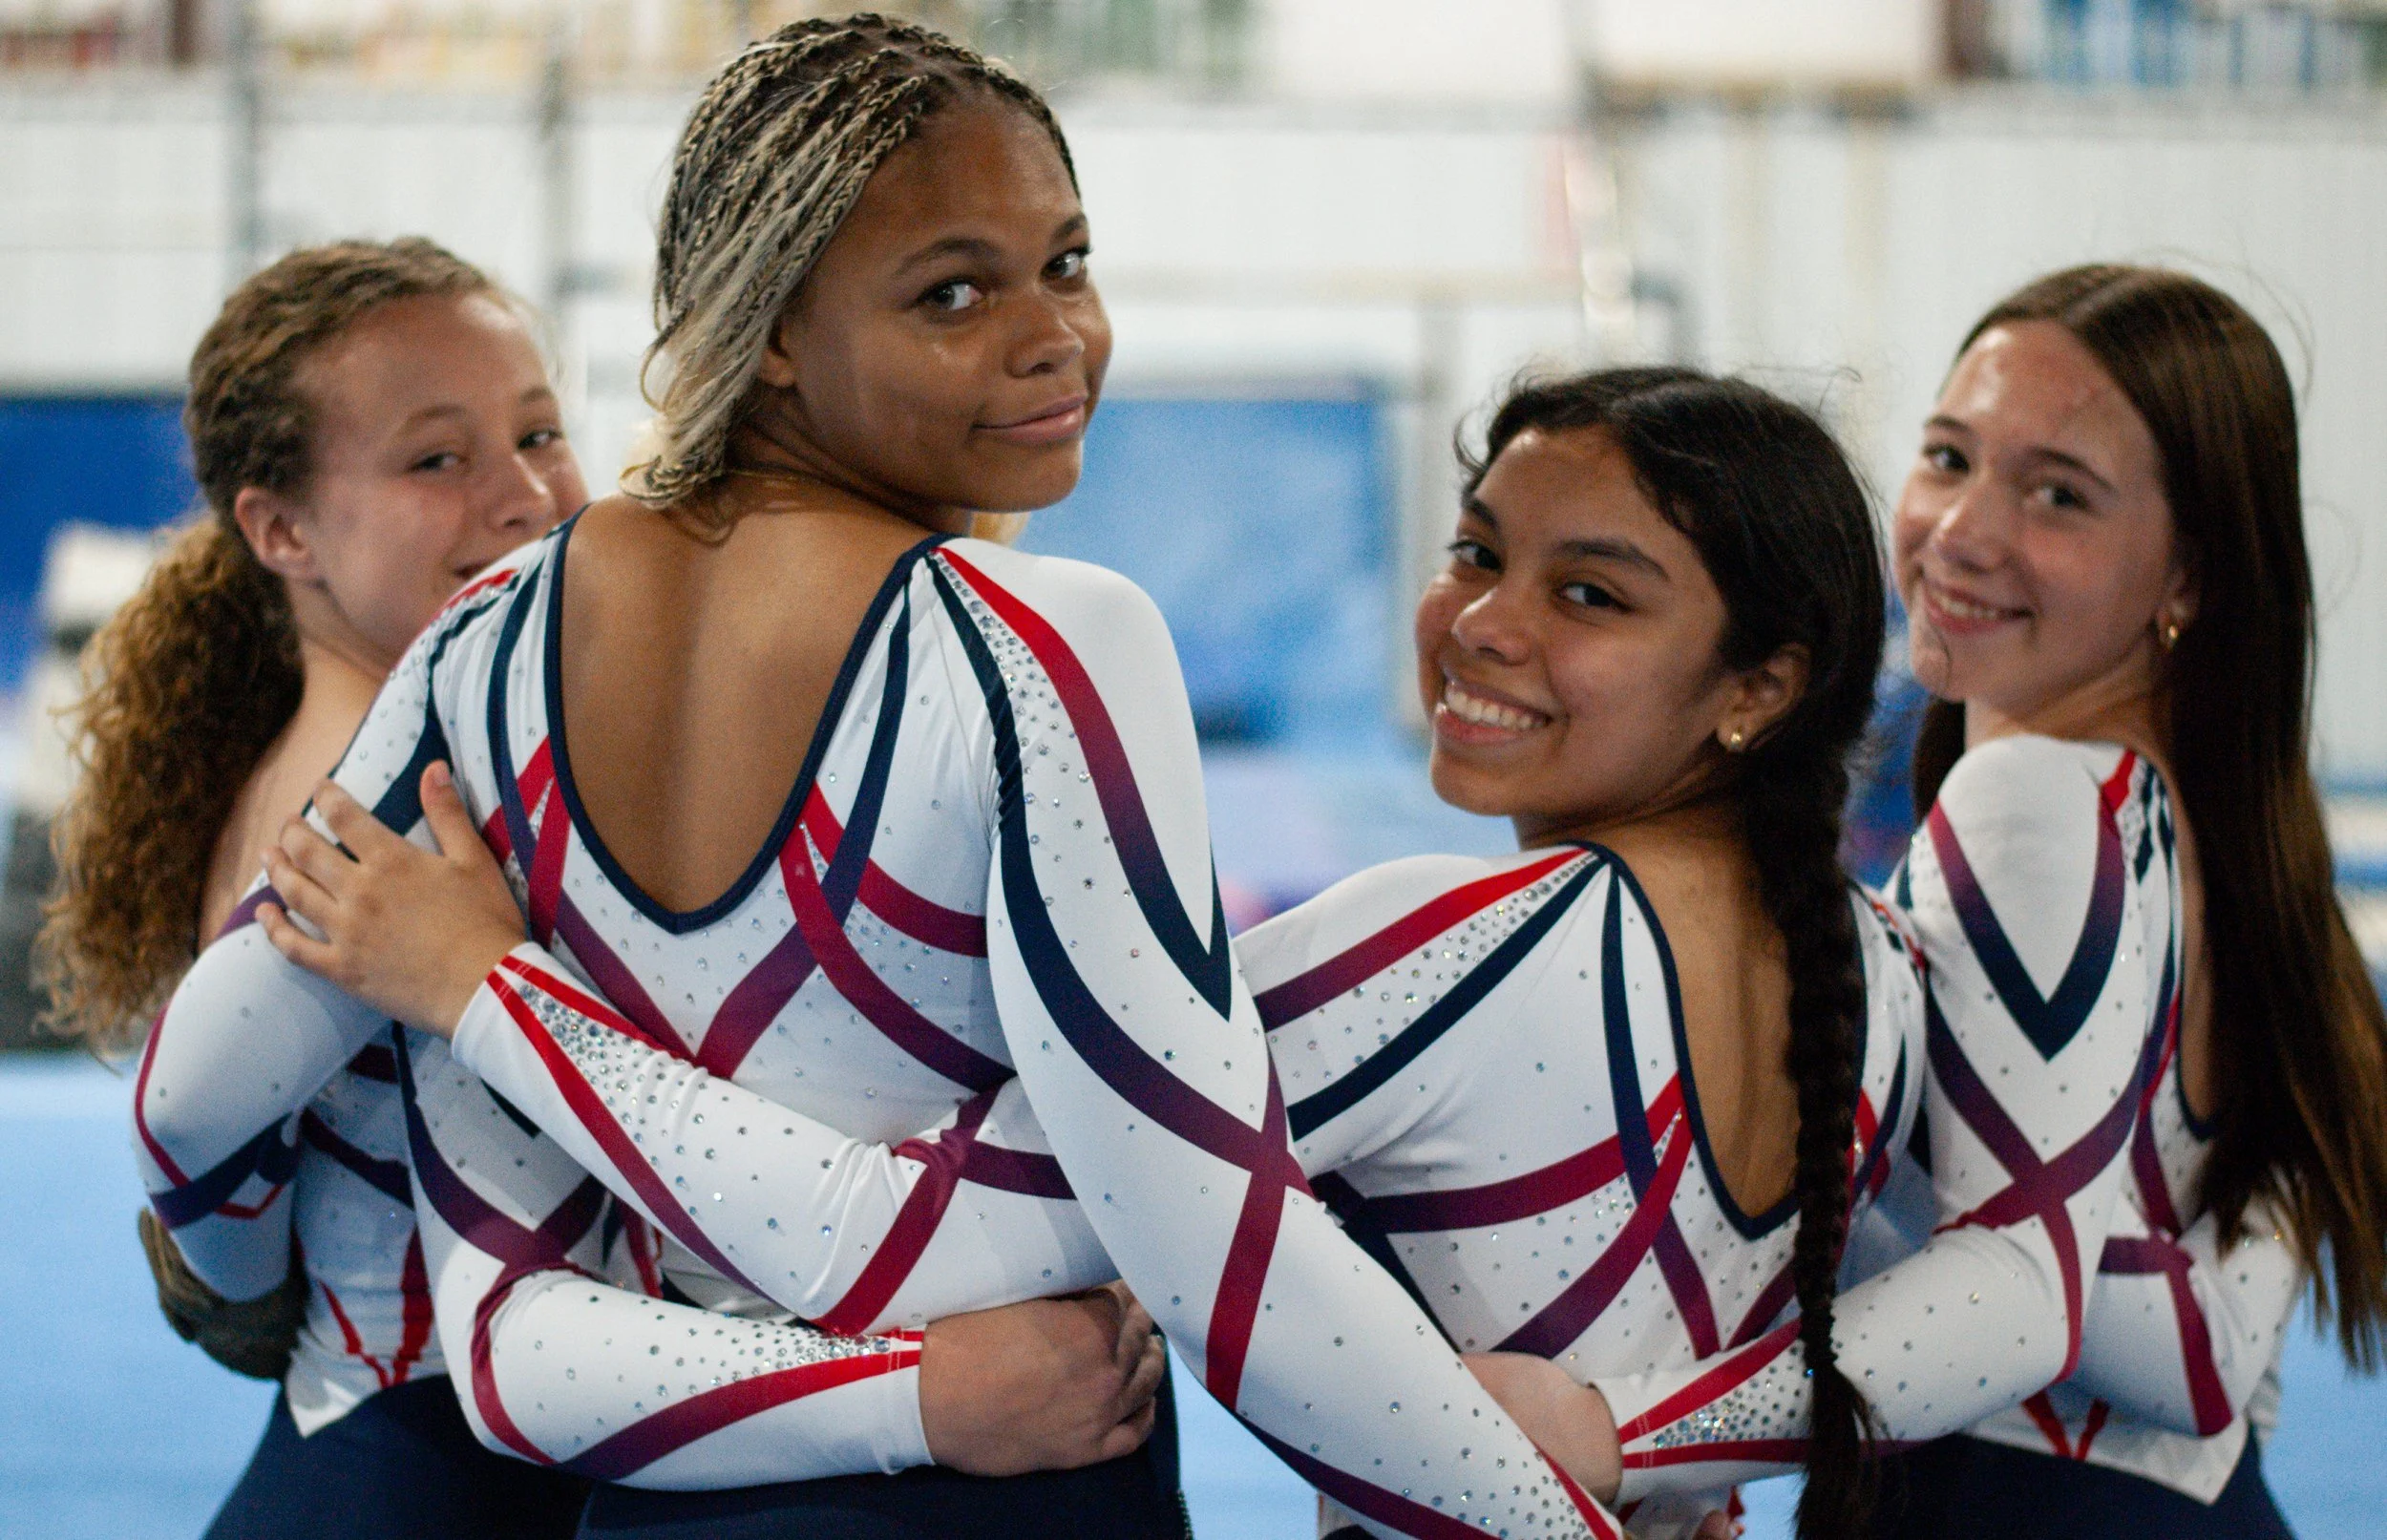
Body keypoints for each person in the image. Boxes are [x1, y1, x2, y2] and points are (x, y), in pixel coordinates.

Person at [156, 15, 1613, 1540]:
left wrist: (244, 1266)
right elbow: (1220, 1254)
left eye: (1069, 261)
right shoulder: (1042, 644)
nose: (1054, 334)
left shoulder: (478, 647)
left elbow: (211, 1107)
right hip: (1025, 1493)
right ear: (773, 328)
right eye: (954, 293)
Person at [1583, 266, 2387, 1537]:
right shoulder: (2235, 845)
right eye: (1949, 456)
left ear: (2189, 576)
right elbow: (2211, 1355)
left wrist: (1633, 1433)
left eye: (2058, 494)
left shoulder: (2038, 802)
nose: (1961, 529)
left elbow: (2038, 1293)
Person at [1237, 369, 1926, 1540]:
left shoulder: (1457, 948)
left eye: (1588, 594)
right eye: (1474, 550)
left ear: (1760, 685)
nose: (1479, 621)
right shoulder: (1886, 973)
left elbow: (976, 1207)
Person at [39, 239, 594, 1538]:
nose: (525, 495)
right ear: (282, 530)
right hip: (428, 1466)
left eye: (541, 431)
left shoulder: (397, 748)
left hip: (409, 1447)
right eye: (436, 458)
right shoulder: (378, 810)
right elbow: (193, 1139)